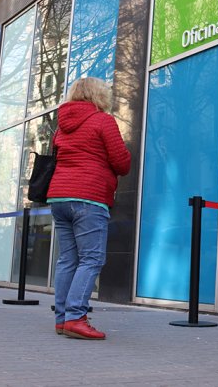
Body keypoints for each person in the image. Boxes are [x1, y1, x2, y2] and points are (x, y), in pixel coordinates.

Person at [48, 77, 131, 340]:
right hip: (88, 197)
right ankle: (75, 317)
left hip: (59, 197)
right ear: (99, 95)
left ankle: (62, 319)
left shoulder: (62, 126)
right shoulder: (102, 120)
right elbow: (122, 163)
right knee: (92, 259)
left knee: (67, 259)